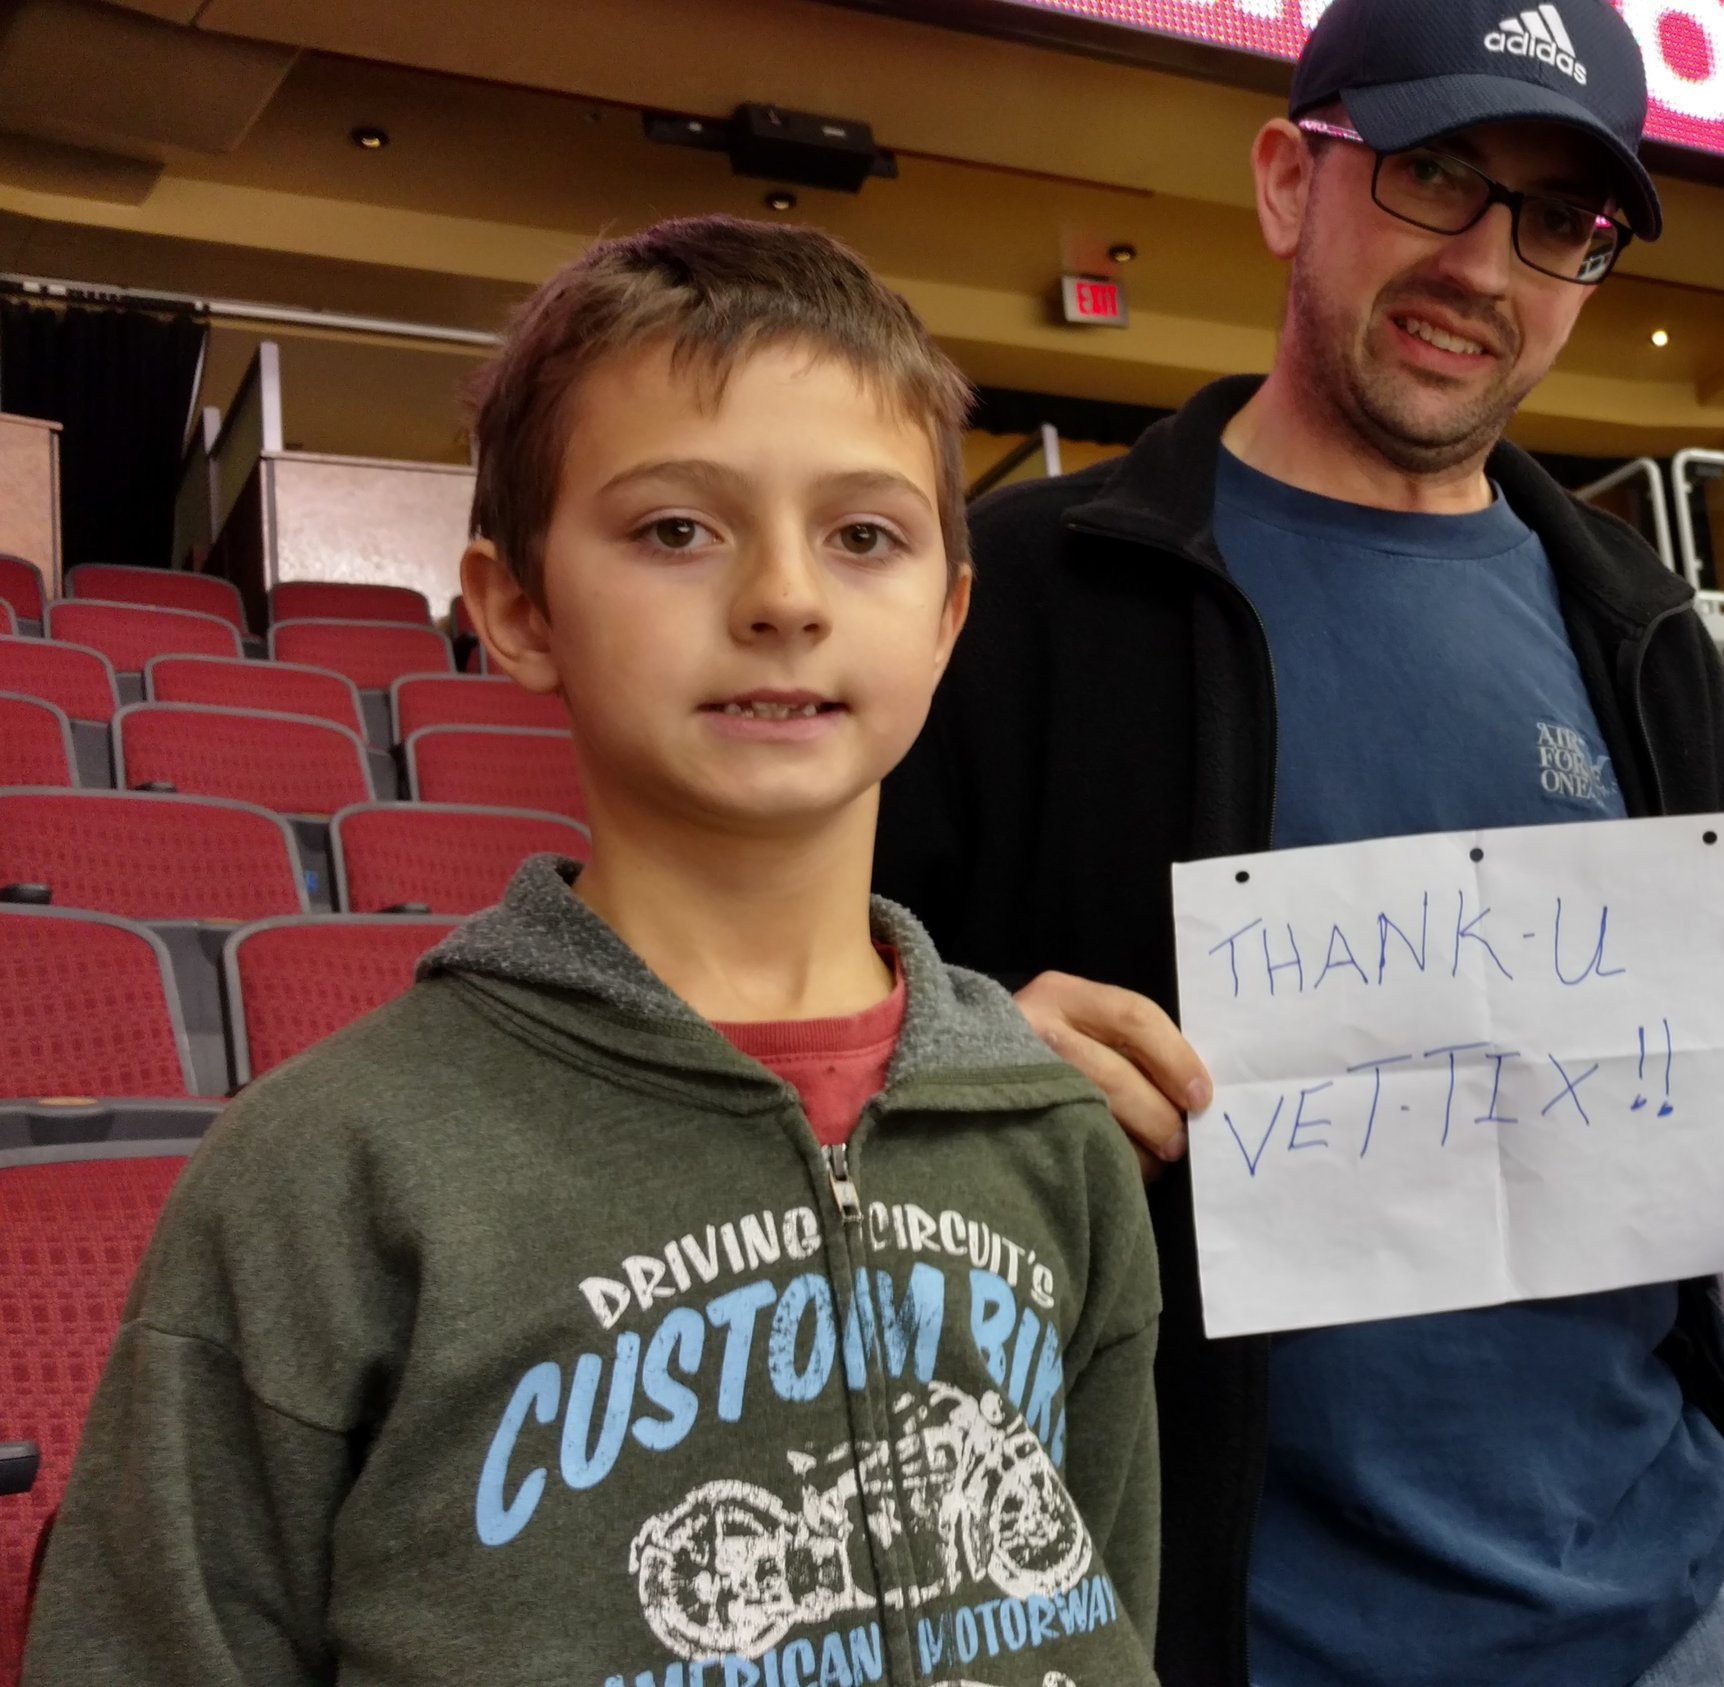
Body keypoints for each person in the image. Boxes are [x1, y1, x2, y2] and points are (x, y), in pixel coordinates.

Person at [872, 0, 1724, 1681]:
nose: (1485, 267)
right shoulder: (1026, 596)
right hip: (1212, 1628)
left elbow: (1722, 1147)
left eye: (1561, 221)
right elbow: (804, 1052)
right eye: (1434, 174)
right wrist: (968, 1066)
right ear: (1290, 181)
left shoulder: (1643, 631)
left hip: (1666, 1613)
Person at [23, 217, 1162, 1685]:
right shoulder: (324, 1167)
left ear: (947, 617)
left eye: (864, 535)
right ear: (516, 608)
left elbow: (1104, 1591)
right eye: (676, 529)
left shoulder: (1051, 1130)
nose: (785, 596)